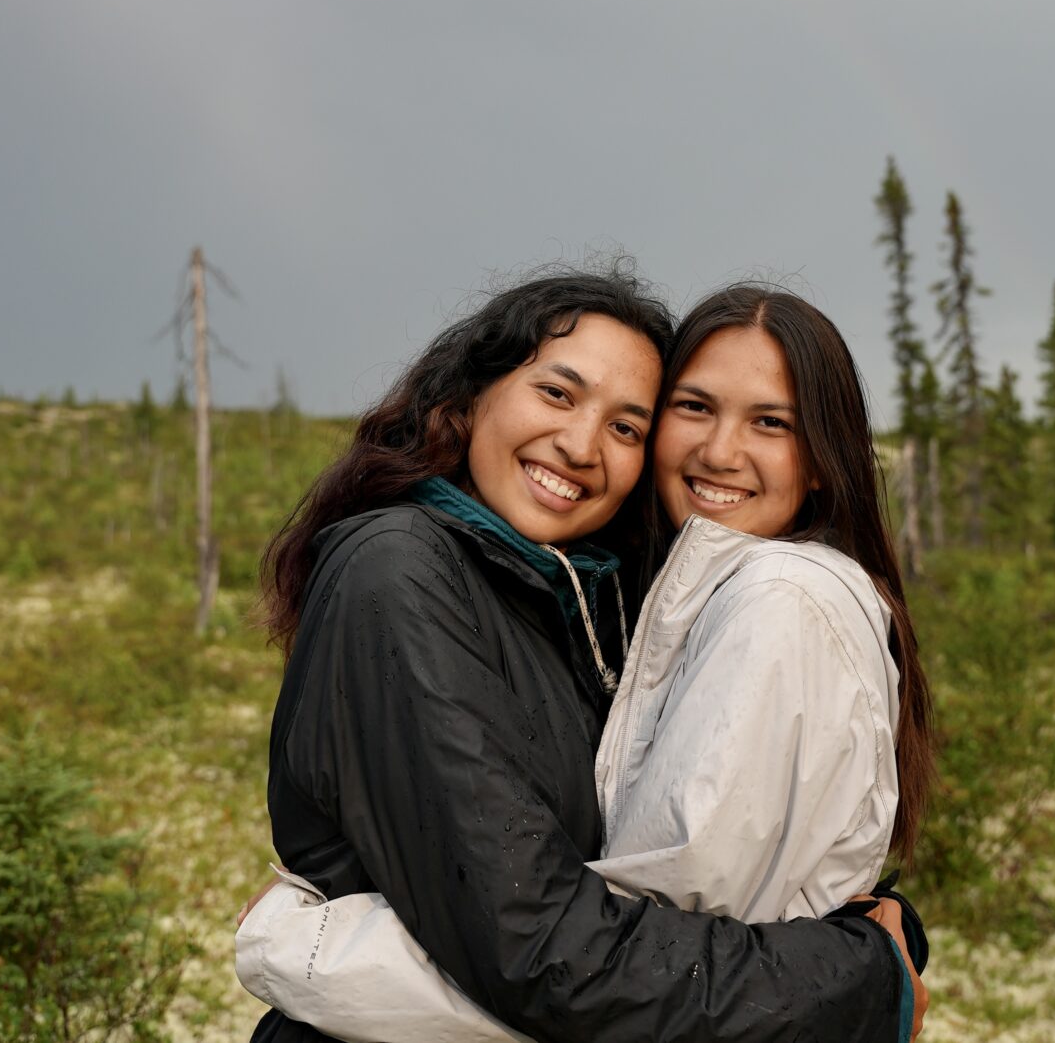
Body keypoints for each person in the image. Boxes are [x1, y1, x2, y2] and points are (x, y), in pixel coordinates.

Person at [240, 279, 933, 1042]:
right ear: (471, 395)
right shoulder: (398, 570)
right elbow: (541, 952)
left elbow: (657, 907)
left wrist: (868, 946)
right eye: (557, 394)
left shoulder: (585, 599)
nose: (580, 445)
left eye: (627, 426)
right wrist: (860, 978)